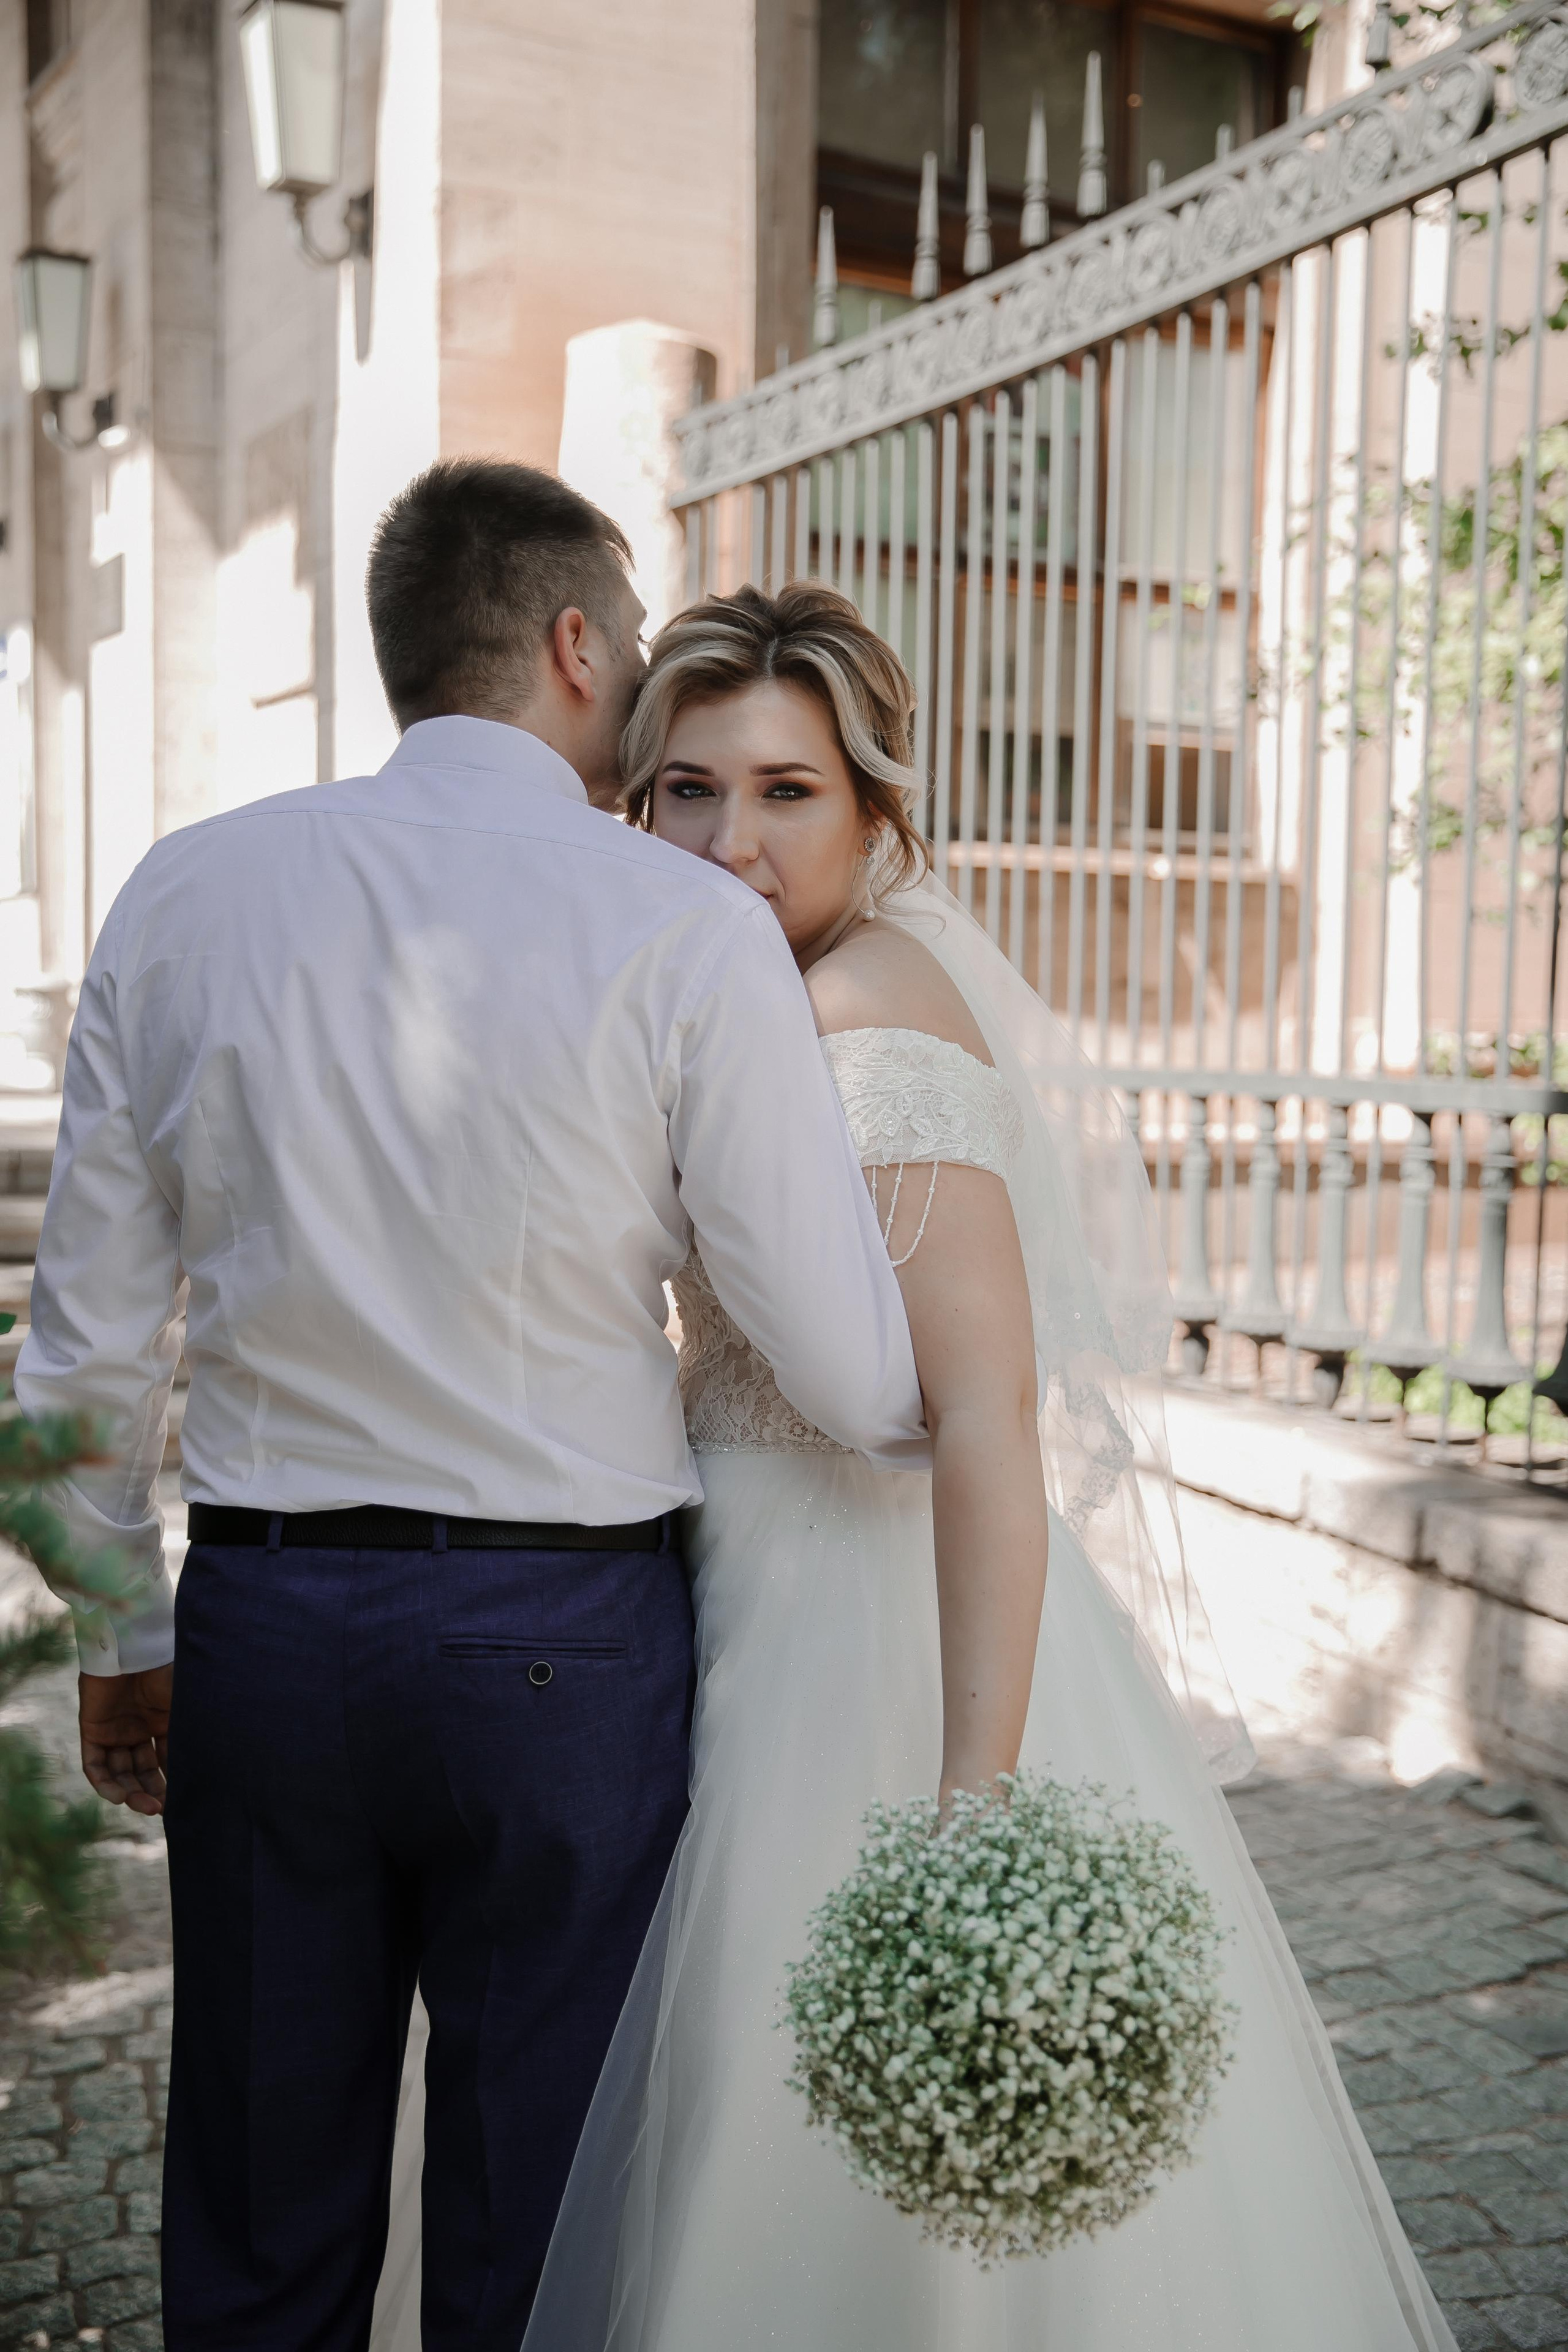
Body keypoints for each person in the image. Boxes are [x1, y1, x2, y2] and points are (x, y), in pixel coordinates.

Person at [382, 582, 1457, 2350]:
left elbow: (983, 1412)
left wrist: (973, 1793)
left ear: (878, 813)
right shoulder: (743, 985)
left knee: (796, 2115)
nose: (732, 840)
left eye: (788, 791)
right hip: (709, 1590)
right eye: (688, 793)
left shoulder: (860, 1012)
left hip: (854, 1631)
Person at [13, 472, 929, 2352]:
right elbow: (841, 1362)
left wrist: (123, 1632)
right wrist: (968, 1410)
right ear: (581, 645)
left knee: (261, 2223)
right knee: (537, 2228)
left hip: (270, 1633)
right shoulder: (683, 929)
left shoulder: (187, 892)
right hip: (570, 1649)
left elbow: (84, 1351)